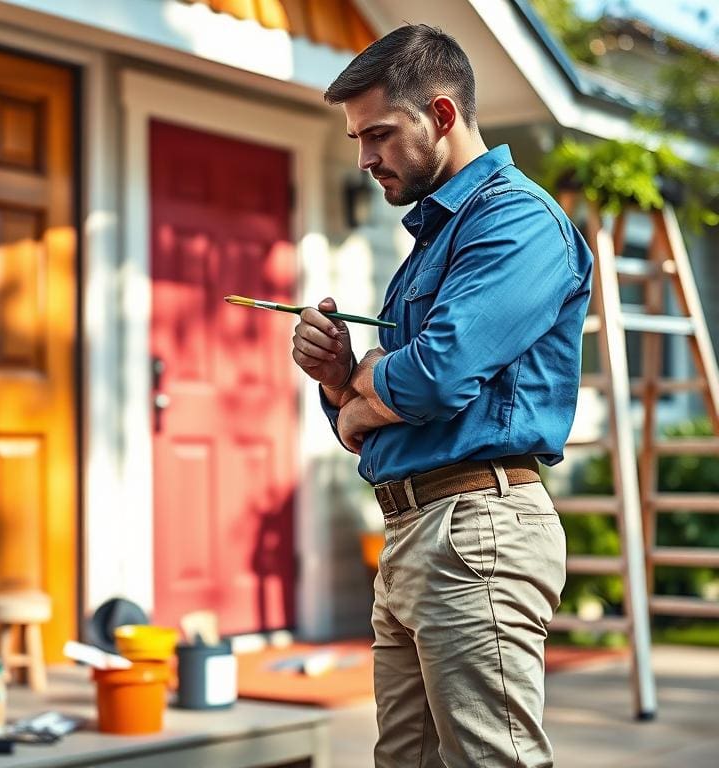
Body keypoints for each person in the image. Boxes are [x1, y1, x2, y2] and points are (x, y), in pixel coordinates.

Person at [291, 24, 593, 768]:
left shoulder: (517, 221)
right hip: (413, 532)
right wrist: (341, 381)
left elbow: (434, 375)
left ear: (444, 115)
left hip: (476, 532)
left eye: (381, 135)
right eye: (358, 139)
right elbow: (382, 413)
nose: (365, 159)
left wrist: (367, 390)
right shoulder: (433, 240)